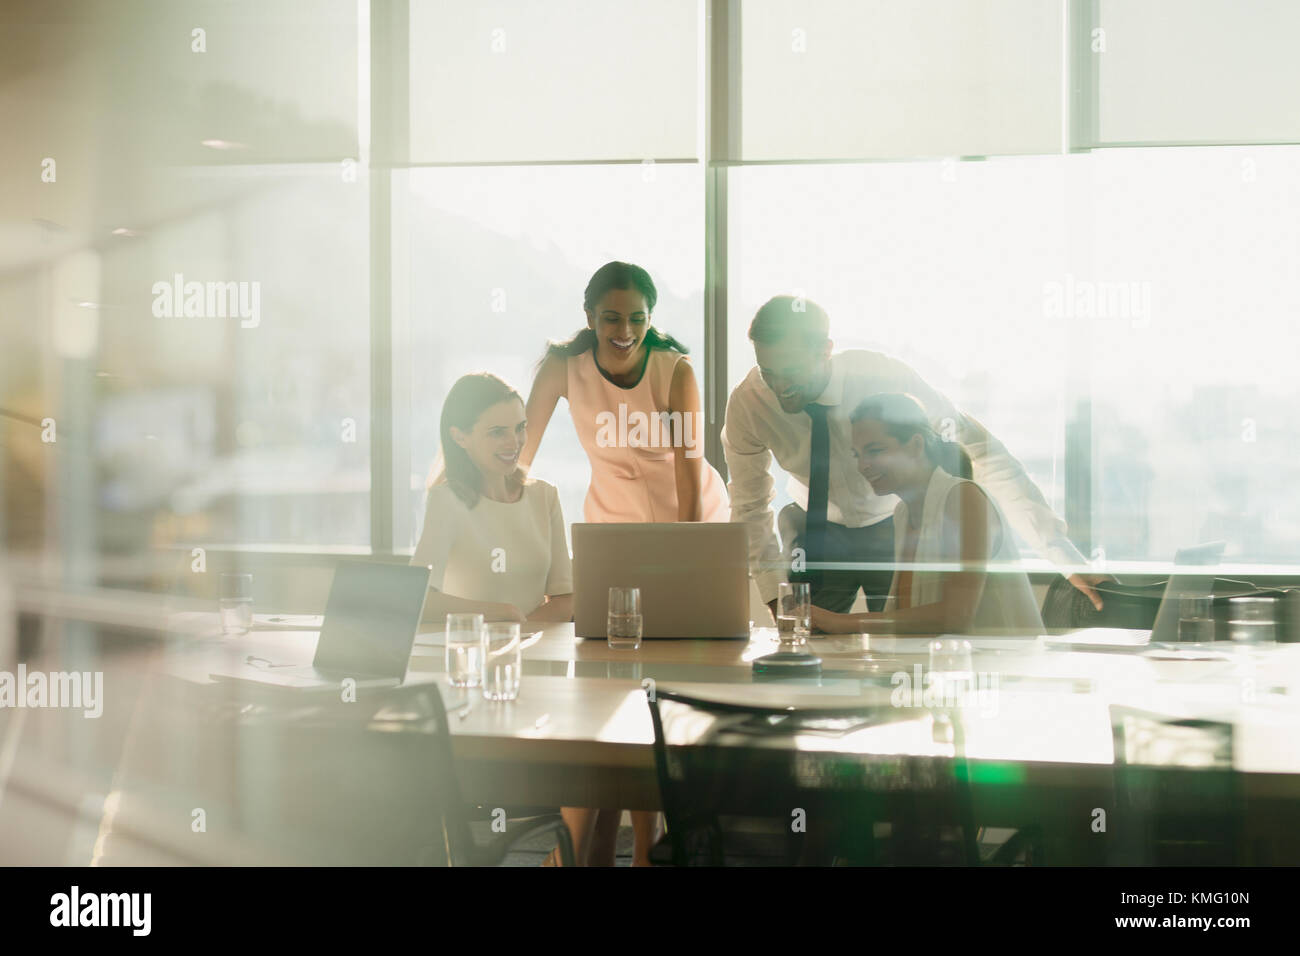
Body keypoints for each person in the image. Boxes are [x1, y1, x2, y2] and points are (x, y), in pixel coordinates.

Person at [520, 260, 728, 867]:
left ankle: (645, 850)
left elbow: (690, 474)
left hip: (685, 523)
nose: (625, 330)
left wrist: (685, 563)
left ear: (650, 320)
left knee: (661, 683)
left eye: (637, 317)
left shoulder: (676, 370)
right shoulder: (565, 366)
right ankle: (588, 849)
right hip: (613, 528)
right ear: (590, 318)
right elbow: (523, 456)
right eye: (612, 317)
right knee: (606, 683)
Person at [722, 295, 1104, 620]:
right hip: (814, 528)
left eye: (791, 371)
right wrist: (773, 593)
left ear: (825, 350)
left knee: (900, 642)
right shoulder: (749, 403)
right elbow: (749, 505)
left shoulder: (883, 377)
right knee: (806, 640)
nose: (780, 387)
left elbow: (980, 450)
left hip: (892, 522)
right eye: (768, 371)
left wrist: (1063, 555)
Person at [810, 393, 1044, 634]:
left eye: (875, 450)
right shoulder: (902, 513)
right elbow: (908, 619)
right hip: (938, 664)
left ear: (915, 446)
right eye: (857, 455)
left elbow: (956, 617)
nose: (863, 465)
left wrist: (839, 622)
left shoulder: (964, 497)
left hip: (998, 667)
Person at [411, 373, 573, 626]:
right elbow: (419, 599)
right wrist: (499, 612)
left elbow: (564, 602)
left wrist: (516, 635)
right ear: (460, 437)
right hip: (471, 654)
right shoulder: (447, 501)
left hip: (534, 653)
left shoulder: (545, 496)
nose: (514, 443)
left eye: (520, 428)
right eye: (498, 432)